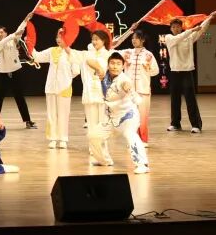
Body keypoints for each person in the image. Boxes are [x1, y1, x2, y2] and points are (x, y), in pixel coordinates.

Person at [97, 52, 149, 174]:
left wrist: (129, 89)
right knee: (94, 135)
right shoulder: (104, 75)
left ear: (123, 66)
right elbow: (89, 61)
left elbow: (127, 86)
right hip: (111, 118)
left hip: (127, 117)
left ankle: (142, 164)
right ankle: (104, 160)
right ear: (108, 64)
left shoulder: (124, 79)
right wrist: (98, 68)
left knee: (130, 135)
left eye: (118, 64)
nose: (115, 66)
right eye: (112, 63)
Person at [160, 16, 212, 133]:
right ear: (171, 29)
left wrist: (209, 18)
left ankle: (196, 125)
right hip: (174, 72)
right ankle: (175, 124)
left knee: (190, 99)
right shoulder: (169, 38)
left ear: (181, 28)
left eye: (178, 27)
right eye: (173, 27)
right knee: (175, 100)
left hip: (187, 72)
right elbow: (178, 38)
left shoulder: (189, 37)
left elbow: (201, 29)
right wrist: (191, 30)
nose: (176, 29)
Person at [31, 29, 80, 149]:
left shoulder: (72, 53)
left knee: (63, 114)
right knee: (51, 114)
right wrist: (30, 44)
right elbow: (37, 57)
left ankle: (63, 139)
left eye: (62, 37)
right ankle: (52, 138)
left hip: (64, 88)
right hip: (51, 88)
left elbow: (76, 71)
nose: (59, 39)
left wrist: (66, 78)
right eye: (57, 36)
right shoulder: (52, 51)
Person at [76, 29, 113, 166]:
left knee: (102, 125)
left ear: (104, 40)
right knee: (91, 125)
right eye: (93, 39)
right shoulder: (87, 54)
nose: (94, 41)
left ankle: (104, 154)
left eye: (97, 39)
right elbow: (75, 55)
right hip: (90, 94)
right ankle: (95, 152)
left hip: (103, 95)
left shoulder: (109, 55)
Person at [118, 30, 159, 146]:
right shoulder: (127, 53)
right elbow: (112, 51)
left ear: (143, 40)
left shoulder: (148, 55)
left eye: (136, 38)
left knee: (143, 116)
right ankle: (131, 140)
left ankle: (143, 140)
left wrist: (147, 68)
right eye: (132, 38)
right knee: (129, 116)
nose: (134, 40)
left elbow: (156, 71)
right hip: (129, 92)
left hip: (143, 90)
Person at [0, 19, 37, 128]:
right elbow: (11, 36)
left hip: (16, 72)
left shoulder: (13, 41)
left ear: (6, 33)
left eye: (2, 32)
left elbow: (20, 30)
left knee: (20, 97)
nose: (0, 34)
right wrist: (13, 35)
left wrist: (26, 20)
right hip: (3, 74)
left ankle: (28, 121)